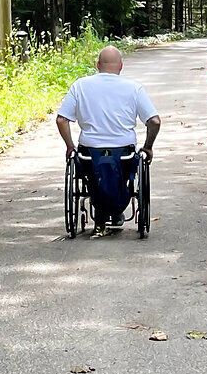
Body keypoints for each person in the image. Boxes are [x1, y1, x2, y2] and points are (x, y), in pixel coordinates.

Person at [56, 46, 161, 235]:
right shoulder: (133, 88)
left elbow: (62, 119)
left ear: (97, 65)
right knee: (124, 173)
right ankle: (115, 208)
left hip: (89, 152)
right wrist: (148, 147)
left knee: (91, 172)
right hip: (124, 154)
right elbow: (154, 121)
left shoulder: (80, 85)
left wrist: (70, 146)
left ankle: (102, 212)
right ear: (121, 66)